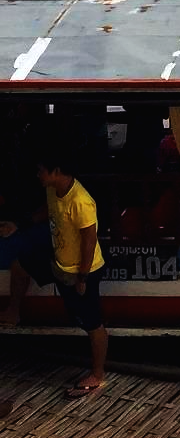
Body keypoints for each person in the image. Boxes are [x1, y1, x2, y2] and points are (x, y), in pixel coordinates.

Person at [0, 144, 109, 396]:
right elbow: (46, 211)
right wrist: (19, 225)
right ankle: (12, 311)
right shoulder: (53, 190)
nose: (37, 175)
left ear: (56, 171)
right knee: (21, 264)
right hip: (59, 262)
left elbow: (89, 241)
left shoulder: (81, 201)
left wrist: (82, 277)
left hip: (81, 269)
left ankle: (97, 374)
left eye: (41, 171)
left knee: (92, 323)